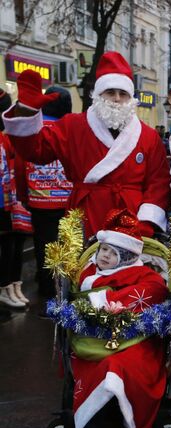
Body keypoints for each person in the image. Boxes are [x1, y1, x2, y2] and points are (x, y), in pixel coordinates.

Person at [1, 51, 171, 237]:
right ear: (98, 95)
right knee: (79, 265)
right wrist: (26, 111)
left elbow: (158, 183)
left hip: (131, 220)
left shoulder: (149, 136)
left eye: (123, 94)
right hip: (85, 216)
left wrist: (146, 222)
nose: (116, 98)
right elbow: (36, 151)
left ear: (130, 99)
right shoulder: (73, 126)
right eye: (110, 92)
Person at [70, 209, 169, 428]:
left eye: (113, 253)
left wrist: (108, 299)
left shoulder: (143, 275)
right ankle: (94, 418)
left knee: (119, 366)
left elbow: (157, 290)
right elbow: (77, 301)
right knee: (101, 365)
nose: (104, 255)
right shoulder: (87, 274)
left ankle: (121, 414)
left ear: (126, 257)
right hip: (92, 338)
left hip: (135, 338)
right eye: (103, 249)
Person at [12, 87, 74, 304]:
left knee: (44, 246)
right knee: (69, 245)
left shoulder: (32, 131)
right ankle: (67, 288)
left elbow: (20, 164)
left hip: (39, 201)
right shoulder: (70, 131)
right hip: (68, 201)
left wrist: (24, 196)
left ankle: (47, 288)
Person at [0, 88, 28, 310]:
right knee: (7, 245)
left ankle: (12, 285)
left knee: (15, 244)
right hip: (7, 200)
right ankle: (5, 286)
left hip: (13, 200)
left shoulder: (9, 136)